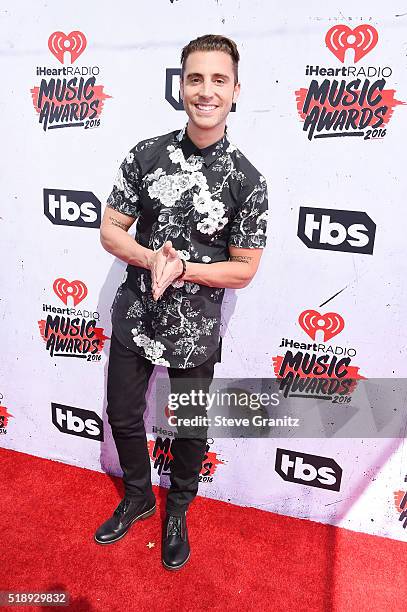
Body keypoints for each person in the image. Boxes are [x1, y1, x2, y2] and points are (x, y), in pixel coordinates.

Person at [95, 34, 268, 571]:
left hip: (196, 328)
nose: (206, 90)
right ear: (181, 86)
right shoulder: (145, 156)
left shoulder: (248, 180)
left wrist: (185, 268)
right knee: (123, 415)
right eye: (196, 78)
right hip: (136, 315)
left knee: (191, 426)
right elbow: (110, 231)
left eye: (219, 80)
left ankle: (179, 509)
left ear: (235, 91)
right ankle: (140, 495)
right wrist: (151, 259)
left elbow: (244, 268)